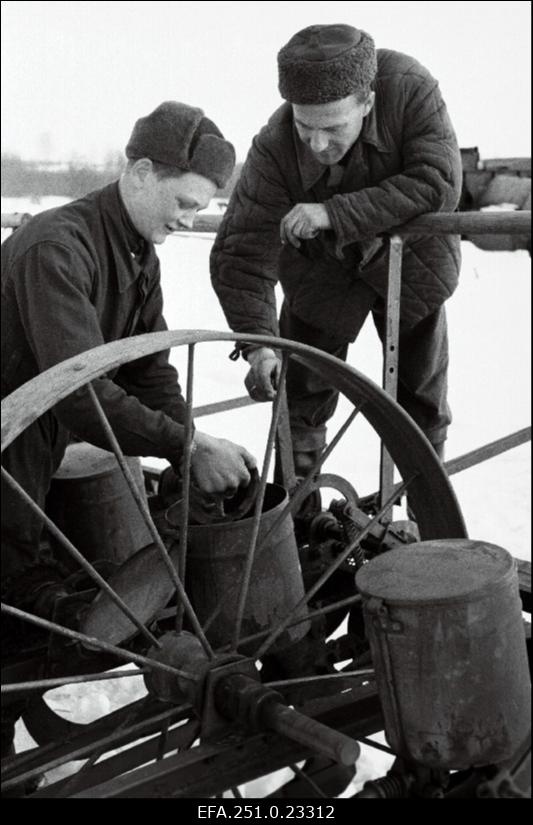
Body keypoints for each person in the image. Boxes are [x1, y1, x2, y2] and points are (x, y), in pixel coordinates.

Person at [1, 102, 257, 765]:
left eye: (201, 208)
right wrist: (184, 446)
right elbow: (79, 391)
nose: (189, 219)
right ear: (141, 173)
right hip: (11, 443)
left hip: (34, 439)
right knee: (10, 598)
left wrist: (188, 445)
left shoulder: (138, 251)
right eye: (184, 202)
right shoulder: (58, 248)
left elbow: (147, 368)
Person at [211, 24, 463, 480]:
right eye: (305, 127)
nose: (318, 144)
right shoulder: (273, 146)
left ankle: (427, 512)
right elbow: (241, 253)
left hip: (411, 265)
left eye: (332, 128)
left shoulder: (410, 89)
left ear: (367, 102)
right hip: (320, 273)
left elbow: (438, 181)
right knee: (299, 400)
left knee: (421, 401)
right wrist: (259, 345)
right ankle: (299, 511)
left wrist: (334, 213)